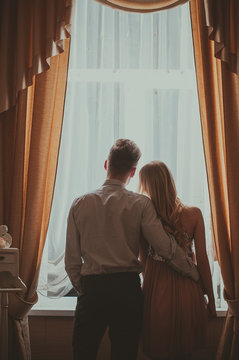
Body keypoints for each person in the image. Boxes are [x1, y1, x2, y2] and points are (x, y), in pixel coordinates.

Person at [65, 139, 199, 360]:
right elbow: (165, 248)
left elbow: (71, 260)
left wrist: (86, 289)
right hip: (126, 290)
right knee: (125, 354)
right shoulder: (141, 204)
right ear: (134, 171)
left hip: (92, 290)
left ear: (106, 164)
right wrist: (194, 273)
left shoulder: (80, 204)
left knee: (83, 353)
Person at [139, 161, 216, 360]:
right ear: (169, 182)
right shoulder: (194, 214)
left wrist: (146, 293)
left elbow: (143, 261)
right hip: (187, 288)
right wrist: (211, 299)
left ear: (147, 186)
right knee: (184, 352)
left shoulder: (144, 218)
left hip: (157, 288)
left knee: (159, 350)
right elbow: (203, 260)